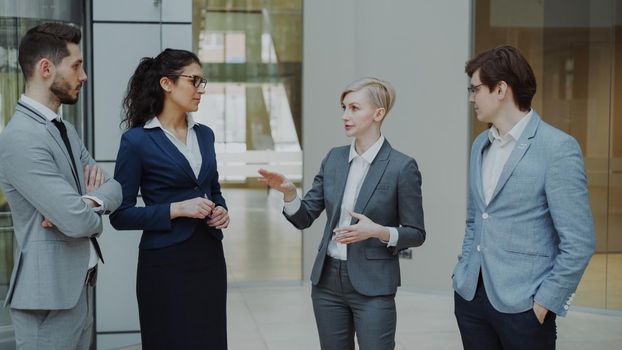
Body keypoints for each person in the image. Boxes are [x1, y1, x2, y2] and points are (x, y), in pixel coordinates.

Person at [259, 77, 425, 350]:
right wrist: (290, 193)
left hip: (374, 284)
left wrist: (377, 231)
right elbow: (305, 217)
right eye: (343, 108)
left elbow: (416, 233)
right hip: (327, 283)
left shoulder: (402, 166)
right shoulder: (334, 158)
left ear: (378, 113)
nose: (345, 116)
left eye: (354, 108)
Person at [452, 45, 596, 350]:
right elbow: (475, 217)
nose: (470, 97)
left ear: (501, 89)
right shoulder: (481, 144)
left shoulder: (557, 148)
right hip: (471, 298)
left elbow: (579, 241)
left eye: (475, 89)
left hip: (525, 307)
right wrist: (462, 271)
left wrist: (547, 301)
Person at [0, 22, 122, 349]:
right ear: (46, 68)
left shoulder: (62, 128)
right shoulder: (21, 138)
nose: (83, 76)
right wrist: (83, 211)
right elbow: (75, 220)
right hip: (47, 302)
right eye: (76, 65)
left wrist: (86, 202)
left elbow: (115, 188)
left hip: (76, 291)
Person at [109, 48, 230, 350]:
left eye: (203, 82)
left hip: (209, 259)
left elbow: (213, 190)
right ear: (167, 84)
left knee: (211, 341)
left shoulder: (206, 135)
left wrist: (222, 211)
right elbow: (120, 215)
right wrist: (176, 209)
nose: (201, 90)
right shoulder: (136, 141)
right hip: (165, 264)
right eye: (194, 81)